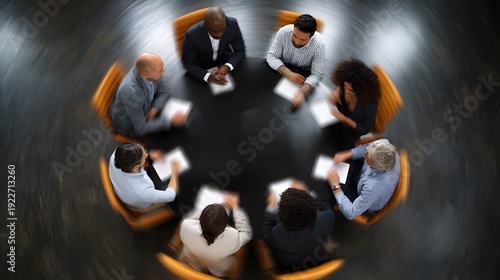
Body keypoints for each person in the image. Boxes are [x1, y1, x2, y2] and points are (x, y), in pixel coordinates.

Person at [261, 181, 335, 273]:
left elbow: (265, 231)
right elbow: (325, 206)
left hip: (289, 268)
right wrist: (308, 191)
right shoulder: (327, 218)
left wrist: (271, 207)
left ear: (281, 217)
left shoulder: (276, 235)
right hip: (320, 261)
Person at [109, 52, 187, 139]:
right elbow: (141, 129)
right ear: (146, 74)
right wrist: (170, 121)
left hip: (145, 110)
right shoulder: (132, 93)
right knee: (170, 137)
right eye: (160, 70)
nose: (163, 72)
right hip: (131, 126)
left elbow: (163, 93)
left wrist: (154, 109)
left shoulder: (151, 73)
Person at [179, 194, 252, 278]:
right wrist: (235, 208)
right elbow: (246, 233)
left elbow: (192, 217)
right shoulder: (232, 237)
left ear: (201, 219)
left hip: (190, 261)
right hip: (218, 268)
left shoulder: (186, 225)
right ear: (225, 225)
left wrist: (213, 208)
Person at [328, 139, 400, 220]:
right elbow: (366, 148)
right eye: (366, 153)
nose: (364, 155)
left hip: (363, 198)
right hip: (362, 176)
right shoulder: (383, 144)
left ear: (374, 165)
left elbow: (351, 213)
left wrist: (335, 186)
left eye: (368, 159)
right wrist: (348, 154)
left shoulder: (374, 188)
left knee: (329, 194)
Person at [266, 14, 326, 108]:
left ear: (311, 37)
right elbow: (271, 56)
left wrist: (302, 93)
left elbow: (316, 74)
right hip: (283, 68)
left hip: (304, 75)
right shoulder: (283, 32)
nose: (297, 42)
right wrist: (288, 73)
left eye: (303, 39)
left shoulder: (319, 44)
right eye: (294, 35)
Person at [182, 6, 246, 85]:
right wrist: (207, 76)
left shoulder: (232, 24)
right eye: (215, 32)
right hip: (202, 68)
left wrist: (228, 66)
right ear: (206, 26)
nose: (219, 35)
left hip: (224, 61)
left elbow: (240, 51)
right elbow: (188, 63)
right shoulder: (191, 35)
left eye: (222, 30)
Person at [109, 143, 180, 212]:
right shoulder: (143, 191)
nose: (146, 155)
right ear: (136, 167)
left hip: (124, 188)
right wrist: (174, 171)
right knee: (177, 196)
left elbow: (143, 155)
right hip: (142, 203)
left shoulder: (116, 155)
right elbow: (171, 196)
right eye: (144, 156)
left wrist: (151, 153)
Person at [329, 59, 381, 143]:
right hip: (336, 121)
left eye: (352, 91)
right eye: (345, 87)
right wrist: (337, 91)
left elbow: (364, 129)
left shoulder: (369, 105)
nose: (347, 92)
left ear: (361, 90)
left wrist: (345, 119)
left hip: (349, 131)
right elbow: (342, 86)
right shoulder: (346, 85)